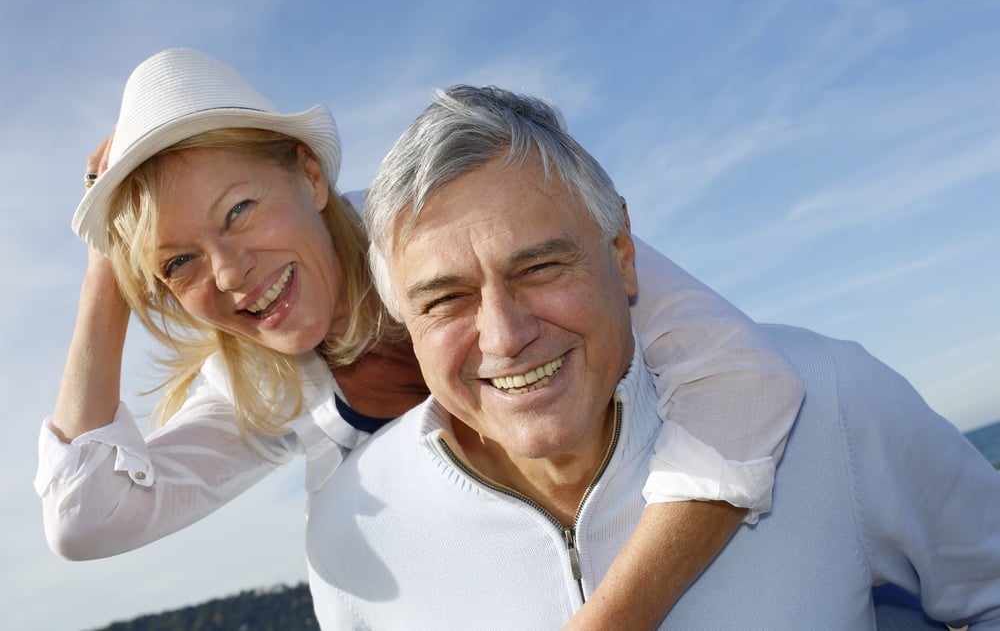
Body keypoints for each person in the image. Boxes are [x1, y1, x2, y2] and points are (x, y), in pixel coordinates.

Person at [35, 48, 806, 628]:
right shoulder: (262, 391)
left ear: (308, 174)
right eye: (178, 261)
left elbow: (742, 379)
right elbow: (83, 516)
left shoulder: (452, 225)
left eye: (239, 210)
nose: (230, 272)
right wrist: (107, 268)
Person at [306, 84, 1000, 629]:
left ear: (623, 254)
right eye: (445, 299)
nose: (505, 334)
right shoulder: (351, 533)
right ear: (405, 320)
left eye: (542, 267)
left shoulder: (832, 398)